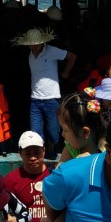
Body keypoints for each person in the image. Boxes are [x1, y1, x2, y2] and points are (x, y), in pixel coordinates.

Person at [14, 27, 76, 158]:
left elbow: (72, 56)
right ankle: (41, 153)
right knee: (35, 132)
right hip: (35, 100)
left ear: (42, 43)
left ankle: (51, 148)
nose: (33, 47)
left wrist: (66, 72)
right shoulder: (30, 55)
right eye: (31, 45)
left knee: (54, 132)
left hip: (52, 99)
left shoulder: (52, 51)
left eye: (36, 44)